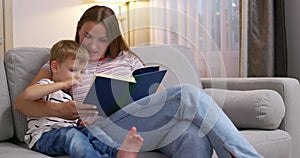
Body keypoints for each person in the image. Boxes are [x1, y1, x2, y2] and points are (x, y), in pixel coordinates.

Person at [14, 5, 263, 158]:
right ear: (78, 29)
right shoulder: (65, 61)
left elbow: (158, 95)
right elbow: (23, 104)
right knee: (188, 94)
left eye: (101, 39)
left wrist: (151, 94)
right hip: (102, 127)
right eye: (87, 35)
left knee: (192, 134)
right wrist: (62, 109)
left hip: (140, 123)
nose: (92, 45)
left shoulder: (128, 60)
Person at [23, 39, 143, 158]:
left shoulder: (67, 96)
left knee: (93, 130)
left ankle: (117, 152)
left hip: (67, 132)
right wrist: (61, 84)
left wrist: (80, 122)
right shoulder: (47, 86)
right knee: (72, 135)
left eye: (82, 72)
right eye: (73, 70)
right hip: (43, 137)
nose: (78, 76)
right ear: (55, 67)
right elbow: (28, 94)